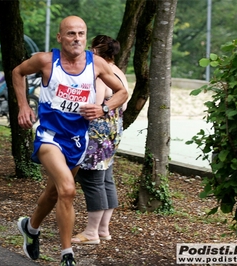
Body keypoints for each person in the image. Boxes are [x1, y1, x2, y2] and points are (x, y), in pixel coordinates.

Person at [12, 16, 128, 266]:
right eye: (71, 33)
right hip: (49, 136)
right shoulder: (46, 61)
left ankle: (30, 228)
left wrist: (103, 109)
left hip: (78, 139)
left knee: (54, 194)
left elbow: (122, 92)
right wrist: (23, 106)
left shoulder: (96, 64)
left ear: (86, 37)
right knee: (67, 189)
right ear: (60, 37)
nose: (76, 39)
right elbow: (17, 72)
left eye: (81, 34)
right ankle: (67, 255)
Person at [72, 35, 129, 245]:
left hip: (97, 132)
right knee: (106, 178)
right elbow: (123, 103)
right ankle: (103, 229)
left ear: (95, 51)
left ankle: (91, 232)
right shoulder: (119, 72)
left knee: (92, 180)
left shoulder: (99, 74)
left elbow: (93, 105)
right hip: (114, 130)